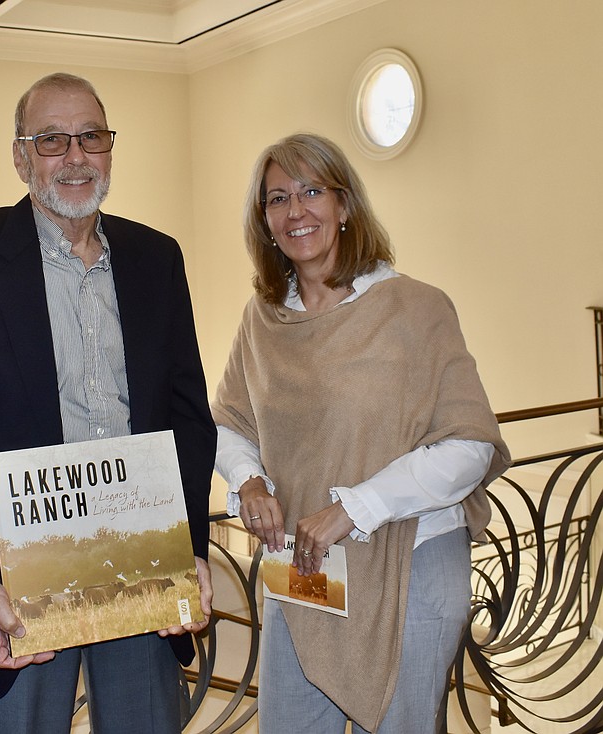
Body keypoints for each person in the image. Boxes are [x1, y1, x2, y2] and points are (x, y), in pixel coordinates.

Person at [0, 72, 217, 733]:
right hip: (18, 580)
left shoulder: (156, 259)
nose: (75, 157)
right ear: (20, 157)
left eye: (91, 137)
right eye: (51, 139)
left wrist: (187, 546)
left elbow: (188, 417)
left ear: (109, 148)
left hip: (143, 565)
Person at [211, 132, 510, 733]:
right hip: (305, 566)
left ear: (345, 205)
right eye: (276, 199)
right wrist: (248, 483)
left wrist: (354, 508)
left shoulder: (416, 309)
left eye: (312, 191)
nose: (295, 211)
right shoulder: (263, 318)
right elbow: (228, 422)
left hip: (411, 560)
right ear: (263, 220)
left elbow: (469, 446)